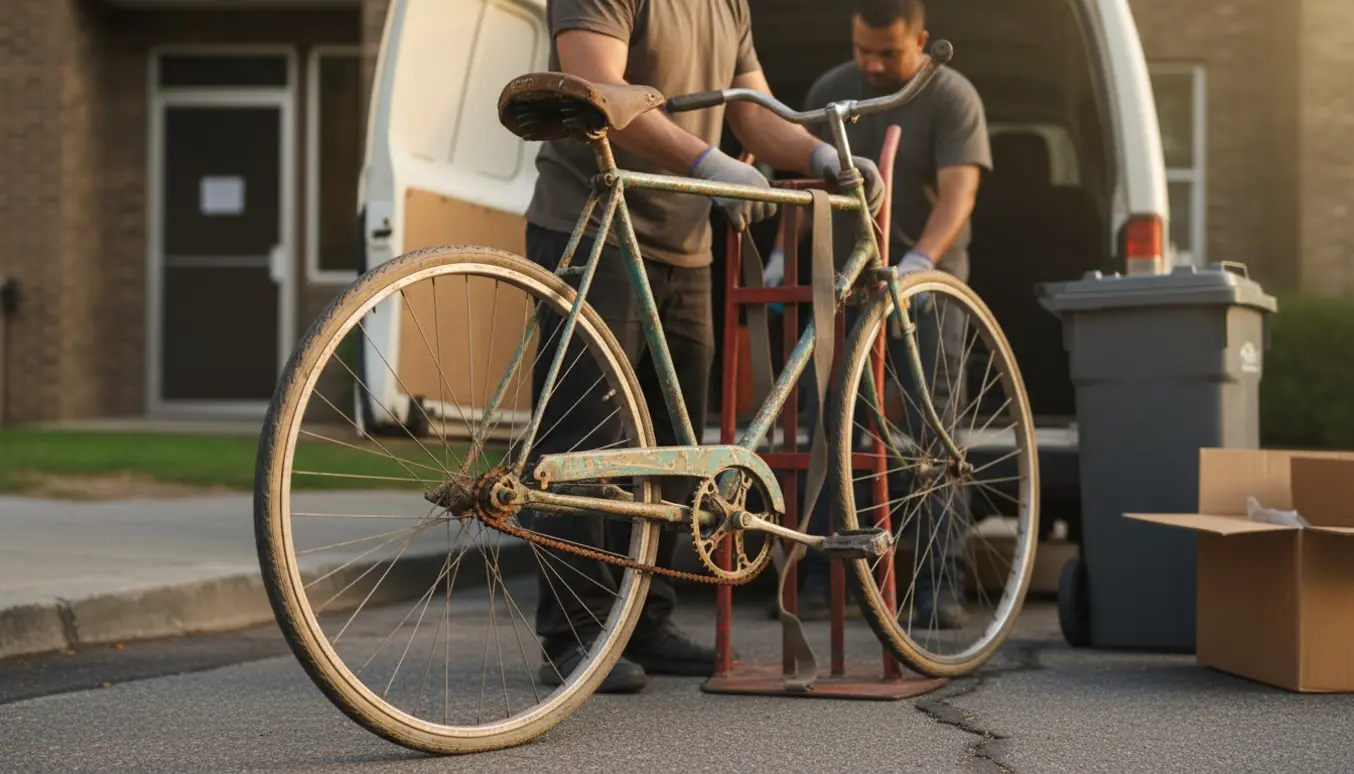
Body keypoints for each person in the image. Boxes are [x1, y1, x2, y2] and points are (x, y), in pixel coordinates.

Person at [520, 0, 887, 695]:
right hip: (594, 226)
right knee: (586, 445)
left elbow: (751, 110)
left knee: (669, 447)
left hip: (683, 246)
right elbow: (599, 86)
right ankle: (575, 637)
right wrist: (710, 160)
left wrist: (820, 156)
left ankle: (644, 622)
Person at [763, 0, 992, 629]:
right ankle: (819, 576)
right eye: (863, 49)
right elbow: (804, 182)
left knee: (932, 428)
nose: (872, 63)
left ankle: (939, 585)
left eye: (888, 53)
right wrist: (784, 255)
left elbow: (960, 194)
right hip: (844, 280)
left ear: (920, 40)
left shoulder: (951, 96)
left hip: (926, 287)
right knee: (829, 421)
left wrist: (919, 259)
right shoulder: (834, 90)